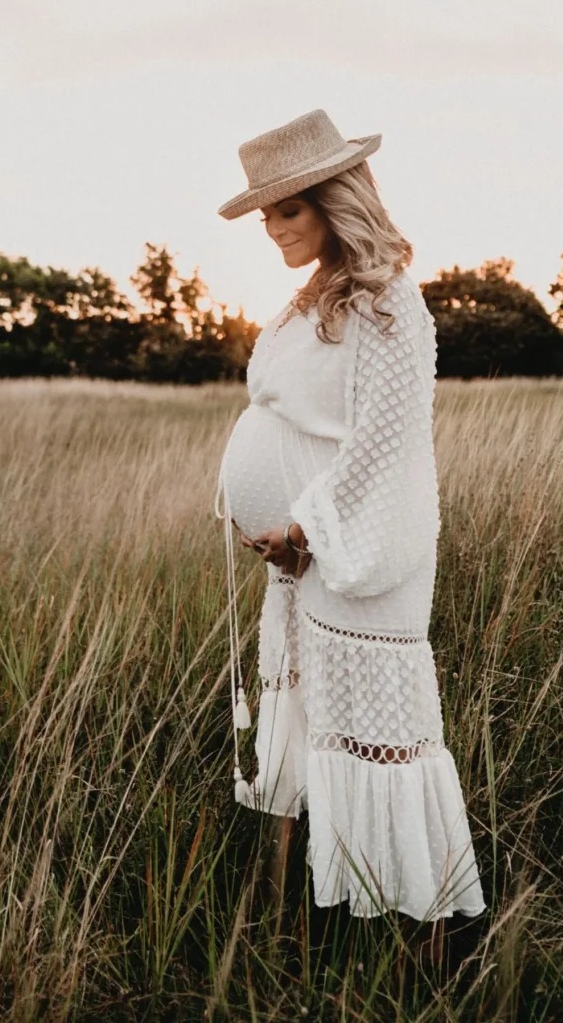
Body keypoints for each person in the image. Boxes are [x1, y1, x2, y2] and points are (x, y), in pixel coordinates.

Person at [214, 109, 486, 932]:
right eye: (265, 212)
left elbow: (384, 444)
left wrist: (301, 529)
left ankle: (420, 939)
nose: (270, 226)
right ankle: (306, 927)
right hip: (302, 566)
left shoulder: (392, 305)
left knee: (384, 745)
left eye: (286, 208)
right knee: (311, 734)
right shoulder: (307, 301)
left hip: (355, 556)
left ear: (337, 200)